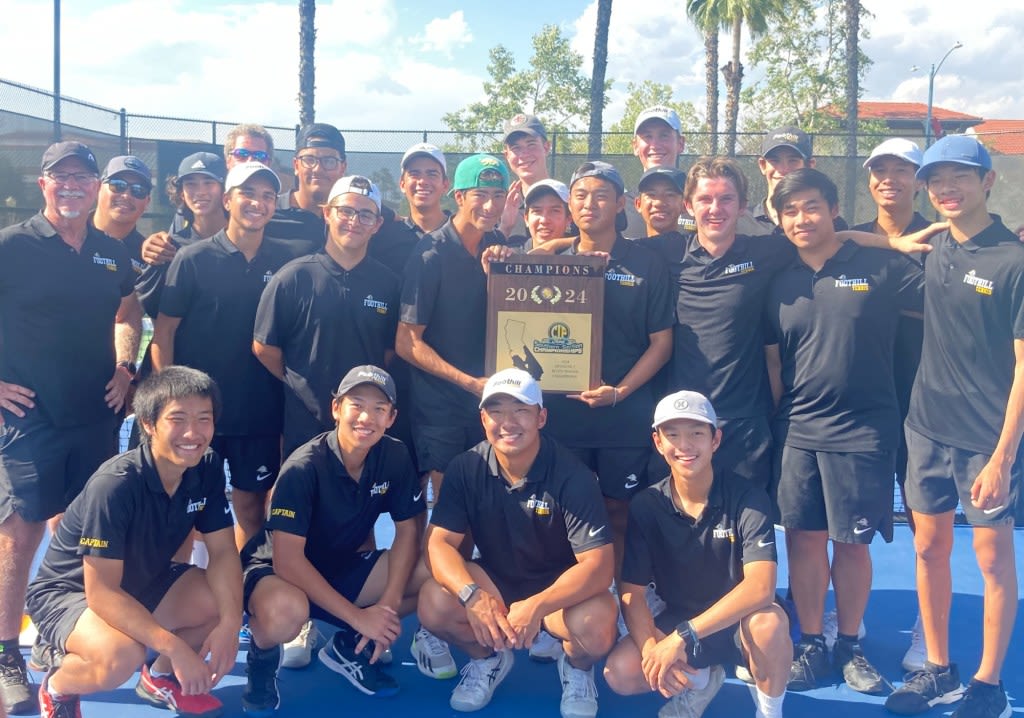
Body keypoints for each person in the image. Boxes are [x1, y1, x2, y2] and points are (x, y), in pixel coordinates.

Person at [764, 168, 924, 695]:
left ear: (834, 209)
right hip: (798, 431)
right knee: (805, 543)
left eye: (812, 206)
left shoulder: (879, 265)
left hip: (865, 431)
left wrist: (888, 239)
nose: (801, 218)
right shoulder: (778, 276)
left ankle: (849, 643)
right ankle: (811, 640)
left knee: (851, 546)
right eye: (789, 210)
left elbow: (943, 281)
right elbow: (773, 363)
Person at [0, 141, 142, 715]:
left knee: (89, 535)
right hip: (29, 416)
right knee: (20, 532)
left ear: (96, 188)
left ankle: (65, 641)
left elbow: (128, 310)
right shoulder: (13, 246)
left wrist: (125, 366)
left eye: (84, 177)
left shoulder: (111, 253)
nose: (73, 186)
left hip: (96, 416)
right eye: (62, 177)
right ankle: (8, 652)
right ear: (43, 184)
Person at [886, 135, 1023, 718]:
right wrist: (893, 240)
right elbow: (865, 240)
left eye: (960, 177)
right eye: (937, 178)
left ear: (988, 181)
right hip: (925, 430)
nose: (947, 188)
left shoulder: (1013, 260)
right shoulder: (934, 245)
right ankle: (938, 670)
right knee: (928, 547)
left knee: (992, 561)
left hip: (984, 442)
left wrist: (1002, 457)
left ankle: (988, 683)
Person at [25, 366, 240, 718]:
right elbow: (102, 593)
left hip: (143, 580)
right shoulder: (115, 485)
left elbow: (222, 551)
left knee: (222, 602)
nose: (193, 433)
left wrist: (231, 625)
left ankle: (161, 678)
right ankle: (58, 687)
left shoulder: (207, 465)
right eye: (178, 419)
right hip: (70, 592)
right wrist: (176, 647)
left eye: (204, 419)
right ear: (148, 424)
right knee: (121, 656)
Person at [239, 365, 447, 712]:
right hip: (277, 571)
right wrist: (359, 616)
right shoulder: (302, 467)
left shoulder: (394, 456)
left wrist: (387, 606)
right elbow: (288, 561)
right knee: (286, 612)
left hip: (343, 566)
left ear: (392, 417)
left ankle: (350, 645)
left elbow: (409, 528)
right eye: (357, 405)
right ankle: (261, 660)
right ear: (336, 408)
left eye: (379, 409)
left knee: (432, 573)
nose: (367, 417)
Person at [417, 369, 617, 717]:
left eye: (520, 410)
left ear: (541, 417)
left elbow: (599, 568)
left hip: (560, 593)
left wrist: (538, 606)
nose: (507, 422)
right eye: (496, 411)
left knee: (597, 627)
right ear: (483, 419)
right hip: (497, 582)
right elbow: (439, 545)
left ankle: (577, 668)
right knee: (434, 602)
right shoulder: (466, 467)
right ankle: (488, 660)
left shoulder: (573, 475)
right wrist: (472, 596)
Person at [603, 390, 791, 718]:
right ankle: (702, 680)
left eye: (696, 434)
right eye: (672, 434)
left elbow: (761, 587)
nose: (685, 445)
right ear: (658, 442)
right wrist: (652, 651)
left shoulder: (749, 497)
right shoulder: (646, 505)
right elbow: (631, 592)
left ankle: (769, 712)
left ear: (715, 439)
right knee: (620, 673)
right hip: (678, 619)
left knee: (769, 625)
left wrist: (684, 636)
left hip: (738, 621)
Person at [151, 161, 299, 551]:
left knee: (251, 508)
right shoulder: (193, 259)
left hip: (261, 413)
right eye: (248, 194)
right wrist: (169, 398)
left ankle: (245, 587)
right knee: (185, 509)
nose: (258, 203)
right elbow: (163, 332)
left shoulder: (287, 262)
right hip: (199, 414)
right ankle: (179, 588)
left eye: (268, 196)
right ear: (229, 200)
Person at [543, 161, 674, 577]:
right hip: (563, 415)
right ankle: (566, 606)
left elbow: (662, 344)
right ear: (569, 204)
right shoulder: (550, 260)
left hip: (624, 416)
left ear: (620, 204)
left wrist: (620, 391)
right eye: (580, 195)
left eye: (601, 195)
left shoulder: (647, 262)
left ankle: (621, 597)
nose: (589, 204)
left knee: (621, 512)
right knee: (563, 515)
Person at [851, 138, 932, 673]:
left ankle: (929, 630)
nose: (890, 179)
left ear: (917, 179)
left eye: (902, 169)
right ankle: (846, 623)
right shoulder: (850, 239)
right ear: (869, 180)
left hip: (926, 400)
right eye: (880, 169)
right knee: (850, 523)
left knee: (928, 525)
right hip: (860, 402)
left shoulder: (940, 237)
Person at [254, 176, 400, 458]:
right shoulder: (293, 277)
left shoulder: (389, 284)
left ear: (377, 224)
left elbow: (391, 350)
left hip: (364, 427)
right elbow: (264, 348)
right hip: (305, 425)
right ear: (327, 214)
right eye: (345, 211)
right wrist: (304, 384)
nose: (354, 221)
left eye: (366, 214)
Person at [396, 154, 510, 501]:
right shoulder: (430, 255)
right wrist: (470, 383)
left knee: (481, 506)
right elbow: (407, 341)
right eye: (480, 194)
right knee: (450, 510)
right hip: (442, 409)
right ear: (458, 197)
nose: (490, 205)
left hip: (488, 403)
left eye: (498, 195)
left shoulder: (498, 248)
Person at [141, 122, 275, 265]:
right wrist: (153, 244)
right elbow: (172, 242)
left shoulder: (271, 209)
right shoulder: (190, 213)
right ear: (228, 161)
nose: (250, 161)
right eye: (241, 154)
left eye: (260, 155)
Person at [136, 152, 228, 320]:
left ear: (225, 190)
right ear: (181, 193)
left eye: (208, 183)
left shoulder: (244, 245)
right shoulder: (167, 249)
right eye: (191, 184)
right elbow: (151, 314)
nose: (200, 192)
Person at [738, 125, 848, 236]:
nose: (783, 169)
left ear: (810, 165)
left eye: (793, 160)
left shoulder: (831, 223)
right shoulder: (739, 221)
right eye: (774, 160)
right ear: (762, 165)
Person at [264, 123, 347, 255]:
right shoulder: (266, 215)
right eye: (309, 160)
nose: (318, 169)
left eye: (329, 161)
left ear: (343, 168)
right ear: (296, 166)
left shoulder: (352, 221)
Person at [623, 106, 695, 238]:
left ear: (681, 143)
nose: (655, 145)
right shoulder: (619, 207)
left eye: (664, 135)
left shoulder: (701, 203)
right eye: (647, 136)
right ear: (635, 146)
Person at [91, 155, 153, 277]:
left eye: (138, 190)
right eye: (118, 185)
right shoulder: (67, 236)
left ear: (147, 202)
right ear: (97, 188)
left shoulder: (148, 256)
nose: (126, 195)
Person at [498, 114, 552, 240]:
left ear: (546, 147)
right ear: (506, 155)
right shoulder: (500, 205)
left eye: (531, 144)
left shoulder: (569, 199)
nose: (524, 154)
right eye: (516, 148)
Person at [514, 179, 572, 250]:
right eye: (537, 211)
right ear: (526, 219)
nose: (544, 220)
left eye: (554, 211)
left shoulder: (581, 257)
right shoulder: (509, 255)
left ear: (568, 219)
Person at [635, 167, 686, 238]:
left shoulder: (696, 248)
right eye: (651, 194)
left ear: (685, 205)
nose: (659, 203)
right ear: (638, 204)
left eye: (669, 194)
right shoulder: (625, 248)